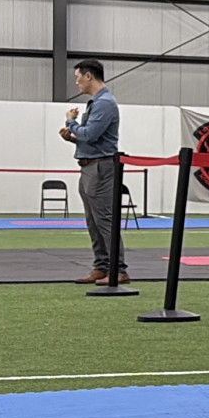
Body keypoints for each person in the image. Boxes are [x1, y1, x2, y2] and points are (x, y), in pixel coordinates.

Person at [59, 58, 127, 285]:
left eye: (78, 77)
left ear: (88, 76)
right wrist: (72, 138)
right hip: (90, 165)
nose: (76, 82)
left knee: (104, 220)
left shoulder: (104, 103)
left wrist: (71, 122)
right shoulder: (97, 103)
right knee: (93, 221)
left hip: (100, 168)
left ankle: (118, 269)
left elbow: (89, 135)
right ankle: (101, 266)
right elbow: (91, 139)